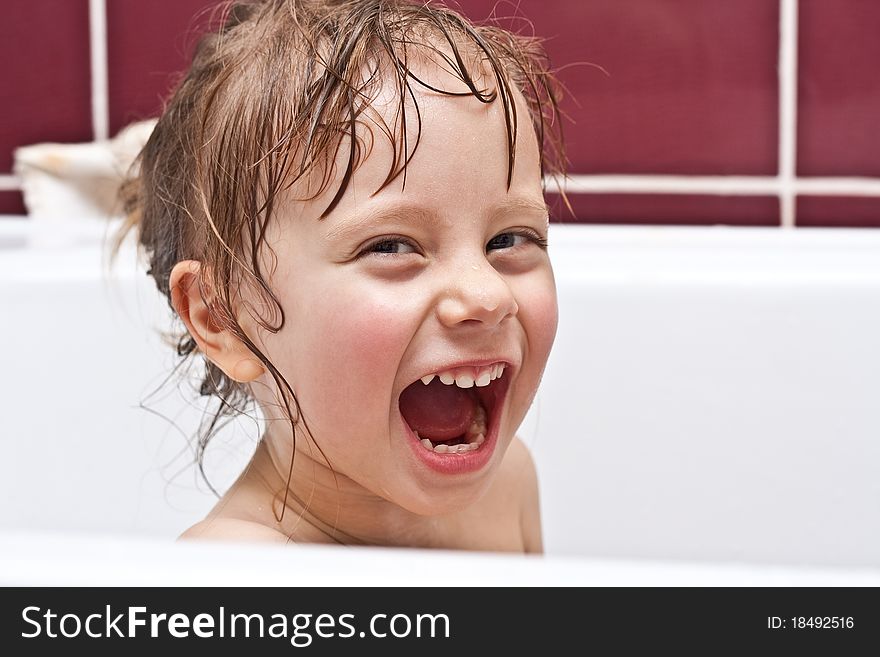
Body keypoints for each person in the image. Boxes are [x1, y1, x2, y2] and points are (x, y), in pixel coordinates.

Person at [117, 0, 565, 551]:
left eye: (509, 239)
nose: (487, 294)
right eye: (391, 245)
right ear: (226, 318)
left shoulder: (507, 486)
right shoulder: (237, 571)